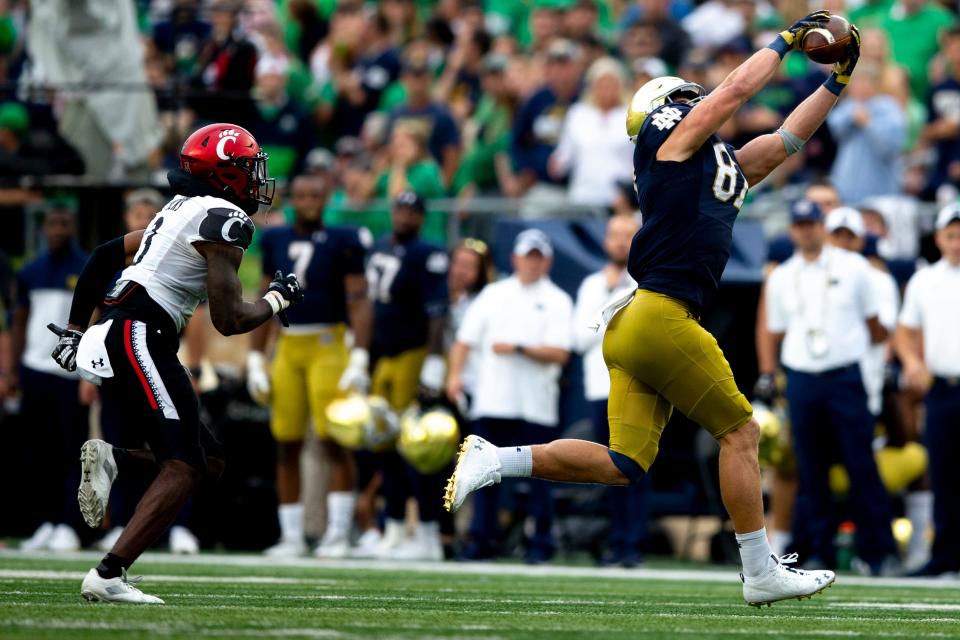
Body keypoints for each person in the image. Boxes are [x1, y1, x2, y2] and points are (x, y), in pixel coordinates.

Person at [446, 12, 854, 605]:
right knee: (741, 431)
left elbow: (788, 139)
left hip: (635, 321)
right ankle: (760, 569)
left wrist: (837, 80)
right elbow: (735, 92)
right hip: (661, 314)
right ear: (669, 108)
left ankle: (496, 458)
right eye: (690, 99)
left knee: (623, 463)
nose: (700, 104)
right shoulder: (668, 141)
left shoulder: (712, 168)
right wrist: (786, 40)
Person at [47, 123, 303, 604]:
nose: (255, 179)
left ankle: (115, 460)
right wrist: (278, 299)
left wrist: (77, 328)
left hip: (128, 331)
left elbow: (104, 255)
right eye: (248, 169)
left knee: (209, 462)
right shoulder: (224, 217)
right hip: (141, 333)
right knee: (183, 466)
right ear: (224, 173)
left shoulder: (181, 209)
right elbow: (229, 319)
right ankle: (108, 574)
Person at [764, 200, 899, 575]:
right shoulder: (782, 275)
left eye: (812, 223)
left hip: (844, 375)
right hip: (803, 375)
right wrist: (769, 369)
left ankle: (879, 552)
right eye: (800, 224)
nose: (807, 230)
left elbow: (877, 327)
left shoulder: (855, 268)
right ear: (793, 230)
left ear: (820, 226)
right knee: (811, 468)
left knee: (861, 465)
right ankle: (818, 550)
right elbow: (773, 328)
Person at [248, 174, 372, 558]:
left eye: (315, 194)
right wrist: (255, 355)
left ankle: (337, 532)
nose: (308, 201)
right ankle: (292, 535)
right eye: (301, 195)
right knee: (286, 440)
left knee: (336, 438)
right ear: (291, 199)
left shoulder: (343, 239)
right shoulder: (274, 239)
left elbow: (359, 300)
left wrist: (360, 354)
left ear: (327, 197)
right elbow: (265, 296)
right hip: (289, 344)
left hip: (328, 342)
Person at [447, 229, 573, 563]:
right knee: (482, 476)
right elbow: (465, 339)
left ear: (547, 261)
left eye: (538, 257)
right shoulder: (494, 294)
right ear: (515, 258)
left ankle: (540, 544)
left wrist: (517, 348)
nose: (532, 263)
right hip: (494, 399)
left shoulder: (558, 299)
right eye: (527, 256)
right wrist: (454, 375)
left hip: (535, 403)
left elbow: (560, 353)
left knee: (540, 478)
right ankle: (481, 542)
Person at [363, 191, 450, 560]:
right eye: (401, 209)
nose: (405, 216)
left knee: (416, 448)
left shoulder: (428, 253)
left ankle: (428, 533)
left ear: (421, 217)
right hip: (384, 357)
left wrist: (433, 362)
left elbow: (436, 312)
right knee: (384, 446)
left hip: (413, 355)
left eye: (413, 211)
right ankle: (394, 528)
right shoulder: (379, 248)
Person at [572, 214, 648, 567]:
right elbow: (578, 338)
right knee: (609, 470)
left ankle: (633, 546)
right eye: (614, 235)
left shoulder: (648, 280)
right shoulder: (591, 285)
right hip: (600, 388)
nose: (620, 241)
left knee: (636, 468)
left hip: (637, 386)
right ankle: (617, 543)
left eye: (626, 235)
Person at [13, 204, 89, 553]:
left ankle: (68, 524)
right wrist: (12, 370)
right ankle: (46, 521)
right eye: (53, 224)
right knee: (38, 451)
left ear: (73, 227)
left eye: (64, 223)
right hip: (35, 369)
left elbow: (95, 319)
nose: (58, 230)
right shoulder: (30, 271)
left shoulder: (85, 267)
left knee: (71, 450)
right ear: (43, 228)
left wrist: (89, 372)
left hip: (70, 374)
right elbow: (19, 322)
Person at [895, 203, 960, 577]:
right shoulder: (925, 281)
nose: (955, 243)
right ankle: (944, 557)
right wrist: (911, 361)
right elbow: (905, 330)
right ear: (938, 238)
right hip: (942, 389)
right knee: (944, 473)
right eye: (950, 235)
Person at [548, 57, 634, 207]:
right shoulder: (578, 113)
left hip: (620, 199)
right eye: (601, 84)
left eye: (611, 84)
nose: (606, 90)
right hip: (583, 196)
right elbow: (565, 153)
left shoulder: (631, 114)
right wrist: (557, 163)